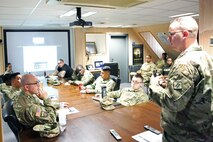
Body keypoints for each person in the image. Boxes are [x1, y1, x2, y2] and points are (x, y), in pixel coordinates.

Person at [149, 16, 213, 141]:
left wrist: (154, 85)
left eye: (171, 34)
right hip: (204, 131)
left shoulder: (184, 63)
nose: (168, 38)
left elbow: (173, 103)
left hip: (183, 135)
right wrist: (170, 84)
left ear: (184, 34)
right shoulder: (207, 57)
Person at [13, 74, 60, 138]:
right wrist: (46, 98)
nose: (39, 86)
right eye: (36, 83)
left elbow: (40, 106)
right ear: (26, 87)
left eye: (38, 82)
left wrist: (59, 104)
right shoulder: (31, 108)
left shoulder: (25, 94)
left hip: (35, 120)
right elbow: (52, 119)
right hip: (34, 134)